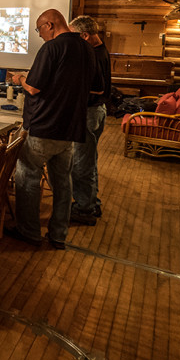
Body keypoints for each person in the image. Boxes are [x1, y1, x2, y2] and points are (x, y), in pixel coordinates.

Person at [5, 9, 102, 249]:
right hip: (70, 128)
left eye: (39, 30)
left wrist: (19, 79)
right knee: (62, 183)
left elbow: (35, 88)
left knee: (27, 177)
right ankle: (58, 234)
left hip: (43, 126)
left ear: (50, 24)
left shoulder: (51, 48)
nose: (41, 35)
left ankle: (29, 231)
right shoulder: (87, 49)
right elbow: (96, 89)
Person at [68, 15, 111, 225]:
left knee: (81, 163)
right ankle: (91, 202)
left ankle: (84, 209)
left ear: (84, 35)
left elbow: (95, 88)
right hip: (98, 110)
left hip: (89, 112)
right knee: (89, 160)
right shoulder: (101, 51)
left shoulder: (92, 55)